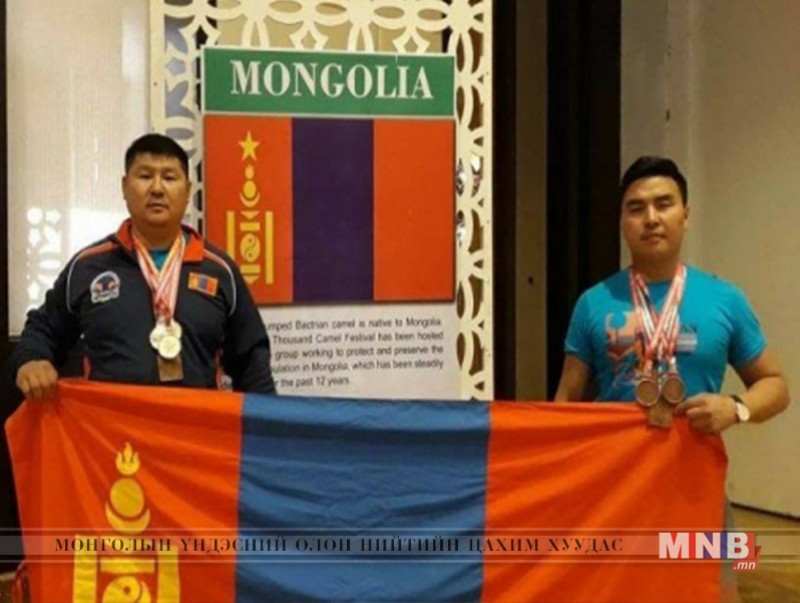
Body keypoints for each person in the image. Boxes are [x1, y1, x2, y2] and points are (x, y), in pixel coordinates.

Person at [12, 133, 276, 399]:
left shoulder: (219, 270)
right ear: (125, 187)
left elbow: (251, 359)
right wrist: (32, 359)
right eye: (145, 176)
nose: (157, 189)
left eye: (170, 178)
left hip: (196, 424)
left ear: (187, 191)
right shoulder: (89, 266)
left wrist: (269, 417)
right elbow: (43, 329)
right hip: (112, 425)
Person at [555, 156, 788, 432]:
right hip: (615, 458)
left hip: (694, 458)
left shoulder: (725, 299)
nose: (651, 219)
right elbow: (565, 402)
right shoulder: (592, 302)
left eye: (663, 205)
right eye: (636, 209)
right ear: (622, 221)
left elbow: (776, 387)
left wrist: (735, 407)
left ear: (685, 216)